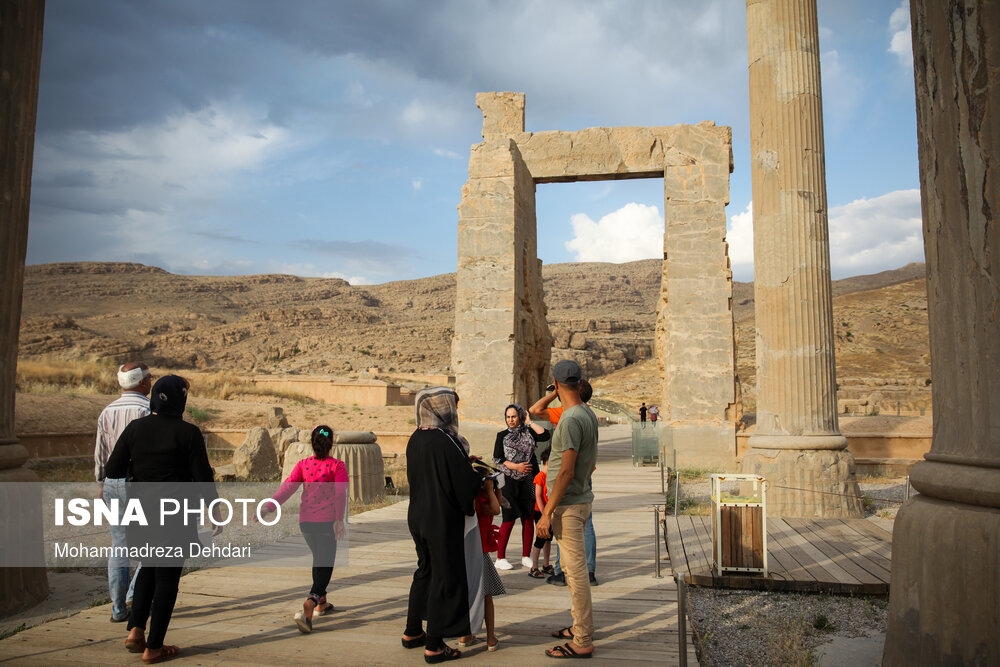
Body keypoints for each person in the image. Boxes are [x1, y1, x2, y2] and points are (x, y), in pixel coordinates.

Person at [105, 375, 219, 664]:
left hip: (140, 513)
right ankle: (154, 647)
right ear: (180, 400)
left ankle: (135, 631)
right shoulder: (189, 433)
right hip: (175, 515)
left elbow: (114, 468)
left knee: (147, 569)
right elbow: (203, 477)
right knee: (167, 578)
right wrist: (214, 510)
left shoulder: (135, 429)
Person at [401, 387, 486, 664]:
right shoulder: (445, 441)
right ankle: (435, 645)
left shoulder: (416, 438)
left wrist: (462, 462)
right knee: (443, 577)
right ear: (443, 408)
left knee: (424, 571)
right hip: (440, 519)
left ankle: (413, 631)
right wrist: (478, 477)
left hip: (418, 516)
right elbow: (463, 485)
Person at [536, 360, 598, 659]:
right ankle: (578, 626)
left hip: (569, 504)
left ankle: (583, 639)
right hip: (579, 499)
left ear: (556, 383)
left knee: (575, 573)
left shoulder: (571, 419)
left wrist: (546, 512)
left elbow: (565, 472)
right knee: (575, 572)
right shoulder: (586, 412)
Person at [262, 425, 348, 634]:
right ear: (331, 444)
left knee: (319, 558)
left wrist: (269, 506)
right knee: (325, 564)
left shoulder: (303, 465)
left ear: (312, 443)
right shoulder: (337, 466)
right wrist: (339, 520)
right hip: (326, 522)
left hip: (306, 523)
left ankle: (322, 602)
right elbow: (339, 494)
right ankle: (311, 602)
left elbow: (288, 486)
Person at [95, 362, 151, 623]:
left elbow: (101, 453)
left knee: (120, 545)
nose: (151, 381)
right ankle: (132, 594)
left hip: (112, 483)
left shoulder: (107, 411)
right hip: (139, 484)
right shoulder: (146, 410)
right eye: (149, 378)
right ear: (141, 383)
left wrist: (101, 482)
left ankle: (117, 610)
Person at [492, 404, 550, 570]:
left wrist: (530, 422)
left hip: (529, 480)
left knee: (528, 517)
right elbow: (497, 459)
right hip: (509, 480)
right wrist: (516, 467)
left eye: (514, 416)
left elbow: (545, 435)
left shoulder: (528, 431)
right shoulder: (501, 435)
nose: (511, 420)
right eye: (508, 417)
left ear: (520, 417)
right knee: (509, 518)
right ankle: (500, 557)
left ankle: (526, 556)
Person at [459, 473, 504, 651]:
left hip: (464, 552)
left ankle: (465, 634)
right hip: (480, 552)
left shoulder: (469, 501)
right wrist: (492, 489)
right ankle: (490, 637)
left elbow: (497, 503)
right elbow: (496, 509)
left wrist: (495, 489)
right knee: (486, 595)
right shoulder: (480, 504)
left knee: (467, 594)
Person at [527, 448, 553, 579]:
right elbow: (538, 496)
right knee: (540, 539)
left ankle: (546, 564)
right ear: (545, 462)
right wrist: (544, 513)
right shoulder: (540, 476)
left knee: (548, 539)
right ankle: (534, 566)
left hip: (551, 513)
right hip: (540, 513)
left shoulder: (554, 477)